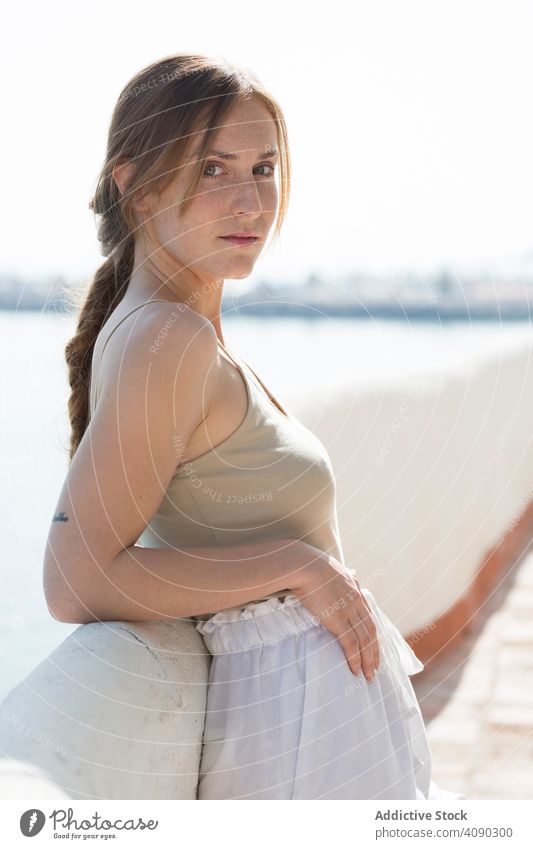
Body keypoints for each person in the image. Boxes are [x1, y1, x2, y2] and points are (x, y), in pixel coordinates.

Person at [43, 53, 465, 800]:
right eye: (212, 169)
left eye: (263, 168)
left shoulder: (182, 333)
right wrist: (299, 563)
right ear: (132, 186)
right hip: (297, 738)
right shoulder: (163, 339)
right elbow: (77, 580)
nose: (249, 200)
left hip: (313, 727)